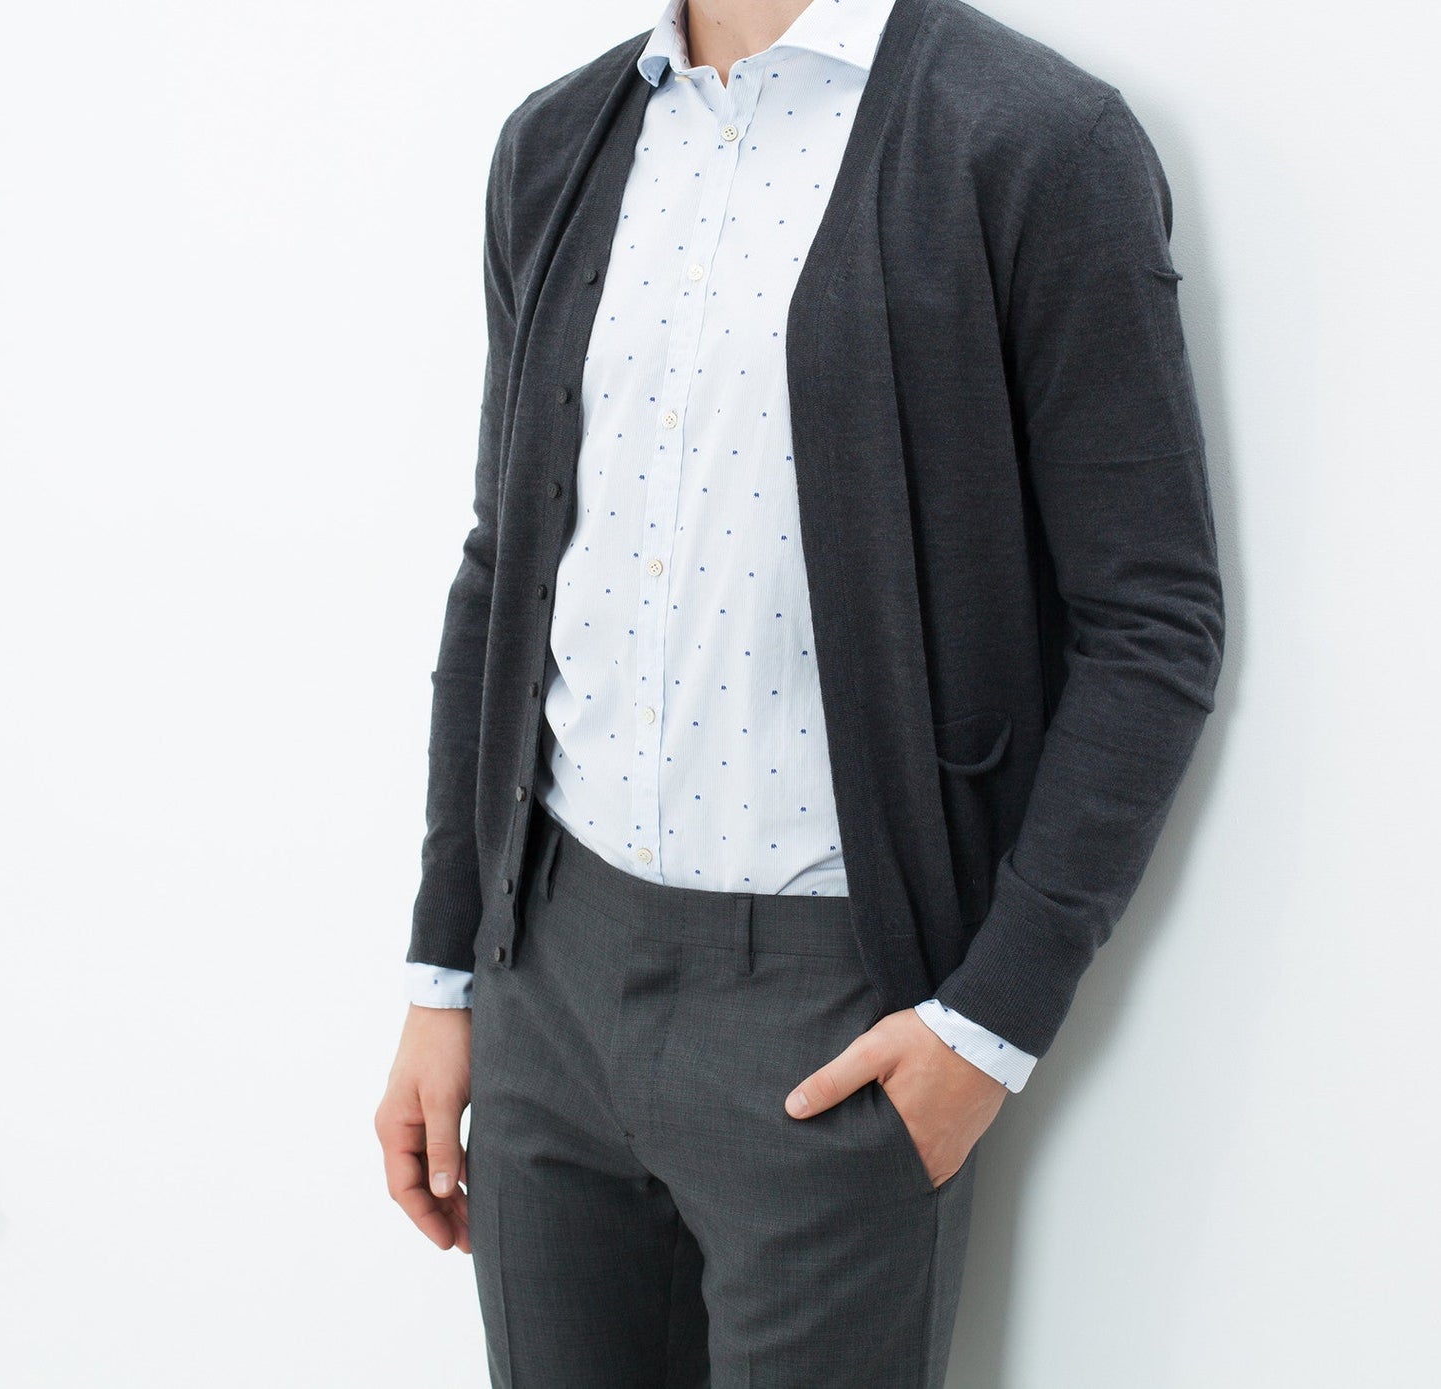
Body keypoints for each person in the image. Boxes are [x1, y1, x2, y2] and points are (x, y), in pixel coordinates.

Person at [376, 0, 1224, 1381]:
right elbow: (503, 563)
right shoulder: (555, 142)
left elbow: (1153, 622)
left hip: (834, 1009)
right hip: (546, 986)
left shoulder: (1031, 141)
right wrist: (444, 973)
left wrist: (986, 1028)